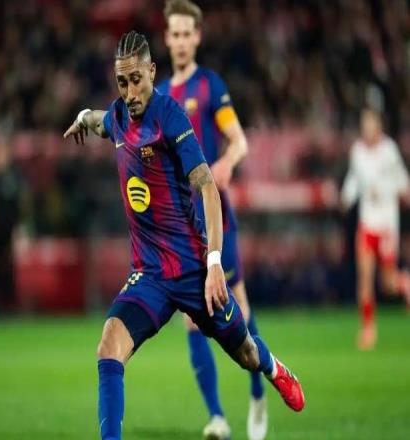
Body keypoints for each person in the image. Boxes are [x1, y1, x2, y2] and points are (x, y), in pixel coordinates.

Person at [64, 30, 305, 440]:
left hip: (193, 269)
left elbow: (207, 187)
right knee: (109, 347)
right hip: (149, 275)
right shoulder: (118, 115)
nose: (130, 92)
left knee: (246, 353)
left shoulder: (170, 116)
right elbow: (100, 121)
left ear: (151, 72)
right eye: (122, 82)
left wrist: (214, 263)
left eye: (136, 80)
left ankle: (274, 368)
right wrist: (83, 117)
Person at [157, 1, 266, 438]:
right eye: (175, 34)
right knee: (191, 316)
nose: (182, 41)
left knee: (237, 302)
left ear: (197, 37)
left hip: (215, 212)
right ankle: (218, 417)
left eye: (188, 33)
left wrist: (225, 163)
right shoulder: (158, 95)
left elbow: (239, 141)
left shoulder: (209, 86)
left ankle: (258, 392)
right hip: (183, 222)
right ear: (167, 38)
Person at [341, 108, 410, 350]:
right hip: (367, 223)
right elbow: (354, 180)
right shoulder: (358, 152)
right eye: (364, 124)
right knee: (365, 278)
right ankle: (368, 329)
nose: (367, 128)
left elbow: (402, 182)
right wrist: (346, 197)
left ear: (379, 126)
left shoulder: (389, 150)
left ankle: (404, 283)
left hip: (386, 225)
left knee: (388, 283)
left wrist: (390, 190)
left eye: (371, 123)